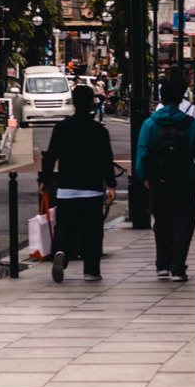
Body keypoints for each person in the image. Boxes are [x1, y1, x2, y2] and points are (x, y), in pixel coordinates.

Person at [136, 73, 195, 282]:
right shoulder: (191, 125)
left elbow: (142, 151)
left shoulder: (150, 124)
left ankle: (162, 265)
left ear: (160, 99)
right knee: (184, 224)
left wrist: (145, 177)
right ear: (180, 100)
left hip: (158, 182)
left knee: (161, 222)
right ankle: (178, 267)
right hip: (184, 182)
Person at [42, 84, 116, 283]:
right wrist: (111, 185)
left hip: (67, 188)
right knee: (92, 230)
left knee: (64, 226)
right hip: (91, 189)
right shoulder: (99, 131)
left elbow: (50, 156)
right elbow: (106, 160)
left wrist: (45, 180)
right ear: (91, 103)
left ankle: (60, 252)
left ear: (73, 102)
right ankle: (91, 270)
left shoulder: (62, 128)